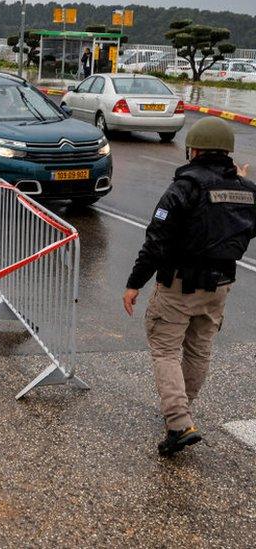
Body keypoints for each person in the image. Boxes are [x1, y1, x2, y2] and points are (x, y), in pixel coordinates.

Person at [123, 117, 255, 457]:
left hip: (179, 286)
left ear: (193, 149)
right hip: (220, 287)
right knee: (198, 350)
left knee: (166, 350)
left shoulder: (185, 187)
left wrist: (135, 283)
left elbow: (156, 241)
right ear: (227, 151)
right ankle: (181, 411)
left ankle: (179, 423)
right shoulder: (246, 190)